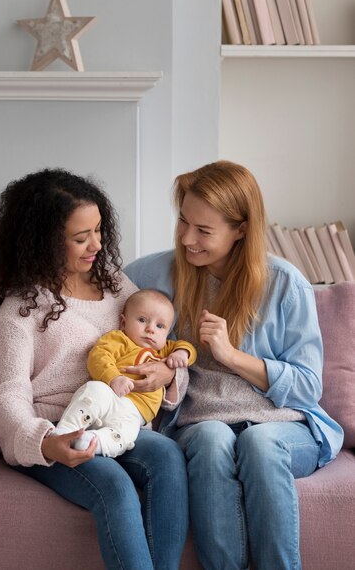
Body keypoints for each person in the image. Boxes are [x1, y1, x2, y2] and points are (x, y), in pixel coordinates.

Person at [0, 168, 189, 570]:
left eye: (98, 231)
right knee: (113, 485)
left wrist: (168, 374)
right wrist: (44, 443)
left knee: (166, 455)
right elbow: (5, 395)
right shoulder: (19, 310)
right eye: (81, 238)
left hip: (119, 419)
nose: (96, 244)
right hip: (61, 428)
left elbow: (160, 342)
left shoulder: (115, 284)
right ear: (43, 242)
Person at [124, 160, 344, 570]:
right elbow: (83, 305)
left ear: (241, 228)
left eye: (204, 230)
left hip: (284, 422)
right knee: (210, 440)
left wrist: (230, 356)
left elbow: (307, 387)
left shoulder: (285, 283)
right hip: (201, 420)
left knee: (259, 444)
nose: (187, 239)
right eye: (183, 222)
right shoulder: (155, 272)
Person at [54, 288, 196, 457]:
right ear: (123, 322)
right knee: (93, 390)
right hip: (110, 396)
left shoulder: (164, 350)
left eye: (160, 326)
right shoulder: (120, 339)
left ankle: (93, 441)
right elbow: (98, 356)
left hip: (135, 413)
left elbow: (188, 347)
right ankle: (65, 431)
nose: (151, 329)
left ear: (167, 333)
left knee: (125, 435)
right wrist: (114, 378)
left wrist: (182, 353)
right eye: (142, 320)